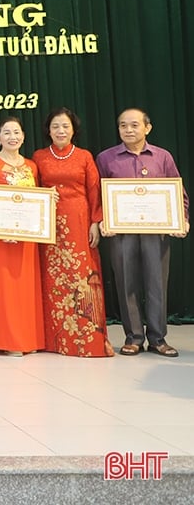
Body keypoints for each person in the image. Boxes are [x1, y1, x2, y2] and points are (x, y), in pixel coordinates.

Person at [97, 107, 188, 358]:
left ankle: (158, 338)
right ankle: (133, 337)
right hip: (122, 232)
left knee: (157, 282)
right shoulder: (106, 158)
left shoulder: (162, 157)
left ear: (147, 128)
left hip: (156, 231)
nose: (128, 130)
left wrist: (181, 220)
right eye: (123, 125)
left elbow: (177, 192)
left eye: (134, 125)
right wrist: (102, 219)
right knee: (126, 282)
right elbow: (99, 196)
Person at [32, 108, 113, 358]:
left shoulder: (85, 157)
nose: (60, 131)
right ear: (48, 130)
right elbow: (32, 190)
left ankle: (87, 340)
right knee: (53, 280)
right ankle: (54, 340)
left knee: (83, 277)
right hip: (50, 226)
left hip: (79, 222)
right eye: (55, 126)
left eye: (65, 126)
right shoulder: (39, 156)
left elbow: (94, 191)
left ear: (73, 129)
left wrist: (94, 223)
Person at [0, 116, 45, 356]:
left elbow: (37, 199)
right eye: (6, 133)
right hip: (0, 238)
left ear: (23, 136)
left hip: (27, 237)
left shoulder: (31, 166)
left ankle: (28, 339)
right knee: (3, 289)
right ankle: (5, 341)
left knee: (25, 288)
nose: (12, 137)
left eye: (16, 132)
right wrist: (2, 229)